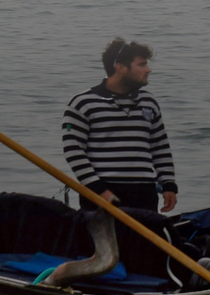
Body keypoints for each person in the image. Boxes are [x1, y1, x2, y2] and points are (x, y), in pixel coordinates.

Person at [61, 38, 178, 213]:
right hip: (102, 192)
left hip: (144, 192)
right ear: (120, 67)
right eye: (142, 64)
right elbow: (74, 151)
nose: (149, 69)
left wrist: (168, 184)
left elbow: (160, 147)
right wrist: (99, 190)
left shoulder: (149, 102)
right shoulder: (83, 103)